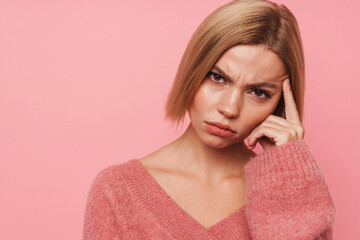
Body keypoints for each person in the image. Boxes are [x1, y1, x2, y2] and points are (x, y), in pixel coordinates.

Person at [82, 0, 336, 239]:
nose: (229, 108)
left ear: (278, 104)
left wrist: (288, 172)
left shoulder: (296, 195)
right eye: (217, 78)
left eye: (258, 92)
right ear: (193, 70)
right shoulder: (116, 190)